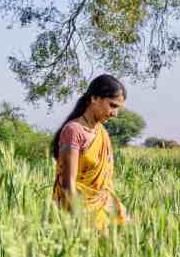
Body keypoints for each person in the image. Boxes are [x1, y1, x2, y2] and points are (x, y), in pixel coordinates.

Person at [52, 74, 128, 232]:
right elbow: (68, 185)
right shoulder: (73, 131)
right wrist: (81, 222)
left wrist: (116, 209)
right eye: (112, 105)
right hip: (78, 213)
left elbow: (105, 184)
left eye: (118, 108)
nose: (115, 114)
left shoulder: (102, 133)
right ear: (94, 98)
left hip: (103, 209)